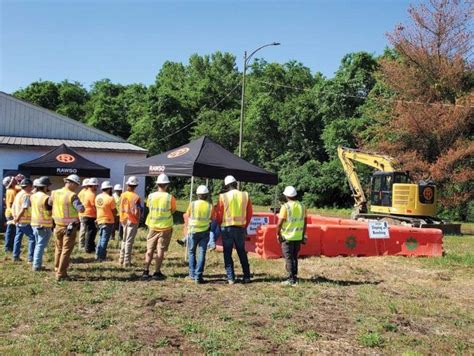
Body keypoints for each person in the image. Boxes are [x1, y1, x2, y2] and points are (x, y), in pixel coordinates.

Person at [216, 175, 253, 284]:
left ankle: (231, 278)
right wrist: (245, 226)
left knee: (227, 253)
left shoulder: (223, 197)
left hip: (226, 228)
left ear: (226, 186)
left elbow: (219, 214)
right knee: (242, 252)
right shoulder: (245, 195)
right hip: (240, 228)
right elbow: (250, 213)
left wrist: (219, 225)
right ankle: (247, 276)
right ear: (236, 184)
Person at [50, 174, 85, 281]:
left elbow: (49, 203)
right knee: (66, 250)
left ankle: (57, 268)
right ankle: (61, 274)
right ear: (71, 183)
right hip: (69, 227)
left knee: (58, 248)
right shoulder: (72, 195)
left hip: (57, 226)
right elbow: (81, 209)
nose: (77, 187)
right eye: (76, 184)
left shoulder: (54, 192)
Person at [142, 174, 176, 280]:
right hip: (165, 227)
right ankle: (157, 272)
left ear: (157, 184)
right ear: (166, 185)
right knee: (160, 250)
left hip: (152, 226)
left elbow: (149, 207)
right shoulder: (170, 198)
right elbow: (173, 210)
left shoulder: (151, 196)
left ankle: (146, 270)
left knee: (149, 249)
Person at [276, 186, 307, 286]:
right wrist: (302, 235)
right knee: (294, 257)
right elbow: (305, 222)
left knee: (289, 258)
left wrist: (278, 234)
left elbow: (279, 223)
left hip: (287, 237)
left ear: (286, 196)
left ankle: (291, 279)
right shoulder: (302, 206)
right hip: (298, 236)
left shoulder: (285, 207)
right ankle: (294, 276)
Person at [186, 185, 215, 284]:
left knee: (191, 252)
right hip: (204, 231)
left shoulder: (192, 204)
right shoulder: (210, 206)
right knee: (202, 253)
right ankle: (198, 276)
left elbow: (188, 215)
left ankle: (192, 274)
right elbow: (212, 218)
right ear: (206, 195)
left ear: (197, 195)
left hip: (193, 231)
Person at [30, 176, 53, 271]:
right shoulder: (46, 198)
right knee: (40, 245)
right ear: (44, 186)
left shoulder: (32, 196)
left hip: (34, 223)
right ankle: (36, 265)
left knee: (38, 244)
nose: (48, 188)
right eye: (48, 186)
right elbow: (50, 210)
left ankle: (36, 263)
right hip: (44, 225)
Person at [12, 178, 36, 263]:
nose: (32, 188)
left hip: (18, 220)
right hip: (24, 221)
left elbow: (14, 206)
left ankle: (15, 256)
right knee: (32, 237)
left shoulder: (19, 194)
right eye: (31, 186)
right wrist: (18, 218)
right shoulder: (26, 195)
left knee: (18, 237)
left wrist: (15, 217)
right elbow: (24, 208)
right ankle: (31, 258)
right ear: (28, 186)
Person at [119, 176, 141, 267]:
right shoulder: (136, 197)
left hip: (123, 219)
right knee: (129, 241)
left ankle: (121, 259)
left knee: (124, 240)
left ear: (128, 184)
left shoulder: (122, 195)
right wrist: (139, 218)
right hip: (132, 220)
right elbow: (137, 211)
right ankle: (127, 261)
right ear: (135, 186)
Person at [95, 181, 117, 262]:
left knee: (100, 238)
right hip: (108, 221)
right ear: (109, 189)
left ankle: (98, 254)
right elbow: (114, 211)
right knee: (104, 239)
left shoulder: (97, 197)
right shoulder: (110, 199)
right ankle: (101, 257)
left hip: (99, 220)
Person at [82, 178, 99, 253]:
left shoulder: (86, 192)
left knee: (90, 232)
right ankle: (89, 248)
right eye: (96, 186)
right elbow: (94, 206)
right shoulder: (91, 194)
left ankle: (90, 246)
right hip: (90, 215)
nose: (96, 188)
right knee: (91, 232)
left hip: (86, 215)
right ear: (92, 186)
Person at [3, 176, 17, 255]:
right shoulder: (11, 191)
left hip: (9, 212)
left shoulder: (10, 190)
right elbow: (12, 203)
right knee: (10, 231)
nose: (15, 181)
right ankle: (8, 248)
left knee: (11, 231)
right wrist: (15, 214)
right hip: (11, 213)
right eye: (13, 180)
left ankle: (9, 247)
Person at [77, 178, 89, 250]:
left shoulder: (81, 192)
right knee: (83, 229)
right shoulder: (84, 193)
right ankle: (81, 245)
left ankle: (82, 244)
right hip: (84, 213)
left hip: (83, 213)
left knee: (84, 229)